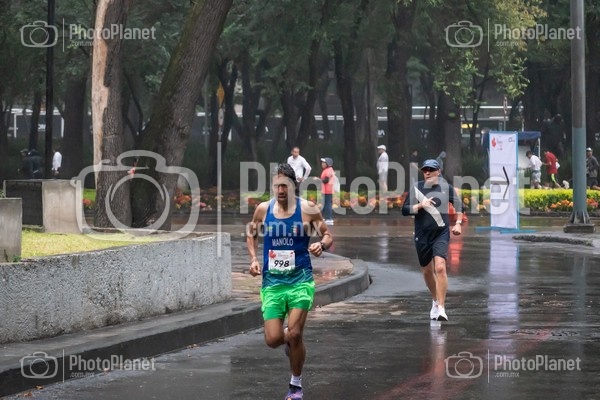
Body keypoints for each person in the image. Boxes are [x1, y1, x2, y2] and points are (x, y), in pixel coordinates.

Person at [246, 163, 333, 400]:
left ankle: (295, 386)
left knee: (295, 333)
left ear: (294, 186)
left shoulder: (307, 209)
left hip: (300, 281)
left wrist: (321, 244)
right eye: (277, 185)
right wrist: (253, 259)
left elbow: (327, 234)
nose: (281, 190)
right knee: (273, 339)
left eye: (285, 185)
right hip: (272, 283)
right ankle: (293, 344)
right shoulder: (263, 210)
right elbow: (251, 234)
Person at [401, 159, 463, 322]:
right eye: (425, 170)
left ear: (438, 171)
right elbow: (405, 210)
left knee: (440, 268)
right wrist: (420, 205)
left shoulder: (446, 187)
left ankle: (441, 307)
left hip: (441, 233)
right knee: (427, 271)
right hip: (422, 235)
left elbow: (459, 205)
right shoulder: (417, 188)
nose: (427, 172)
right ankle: (435, 301)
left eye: (431, 169)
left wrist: (458, 223)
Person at [320, 157, 335, 225]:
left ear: (328, 164)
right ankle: (323, 217)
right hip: (326, 189)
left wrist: (318, 180)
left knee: (328, 204)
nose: (322, 164)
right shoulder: (327, 170)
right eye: (322, 162)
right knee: (325, 203)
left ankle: (329, 218)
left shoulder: (328, 170)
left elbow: (326, 180)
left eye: (324, 163)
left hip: (328, 189)